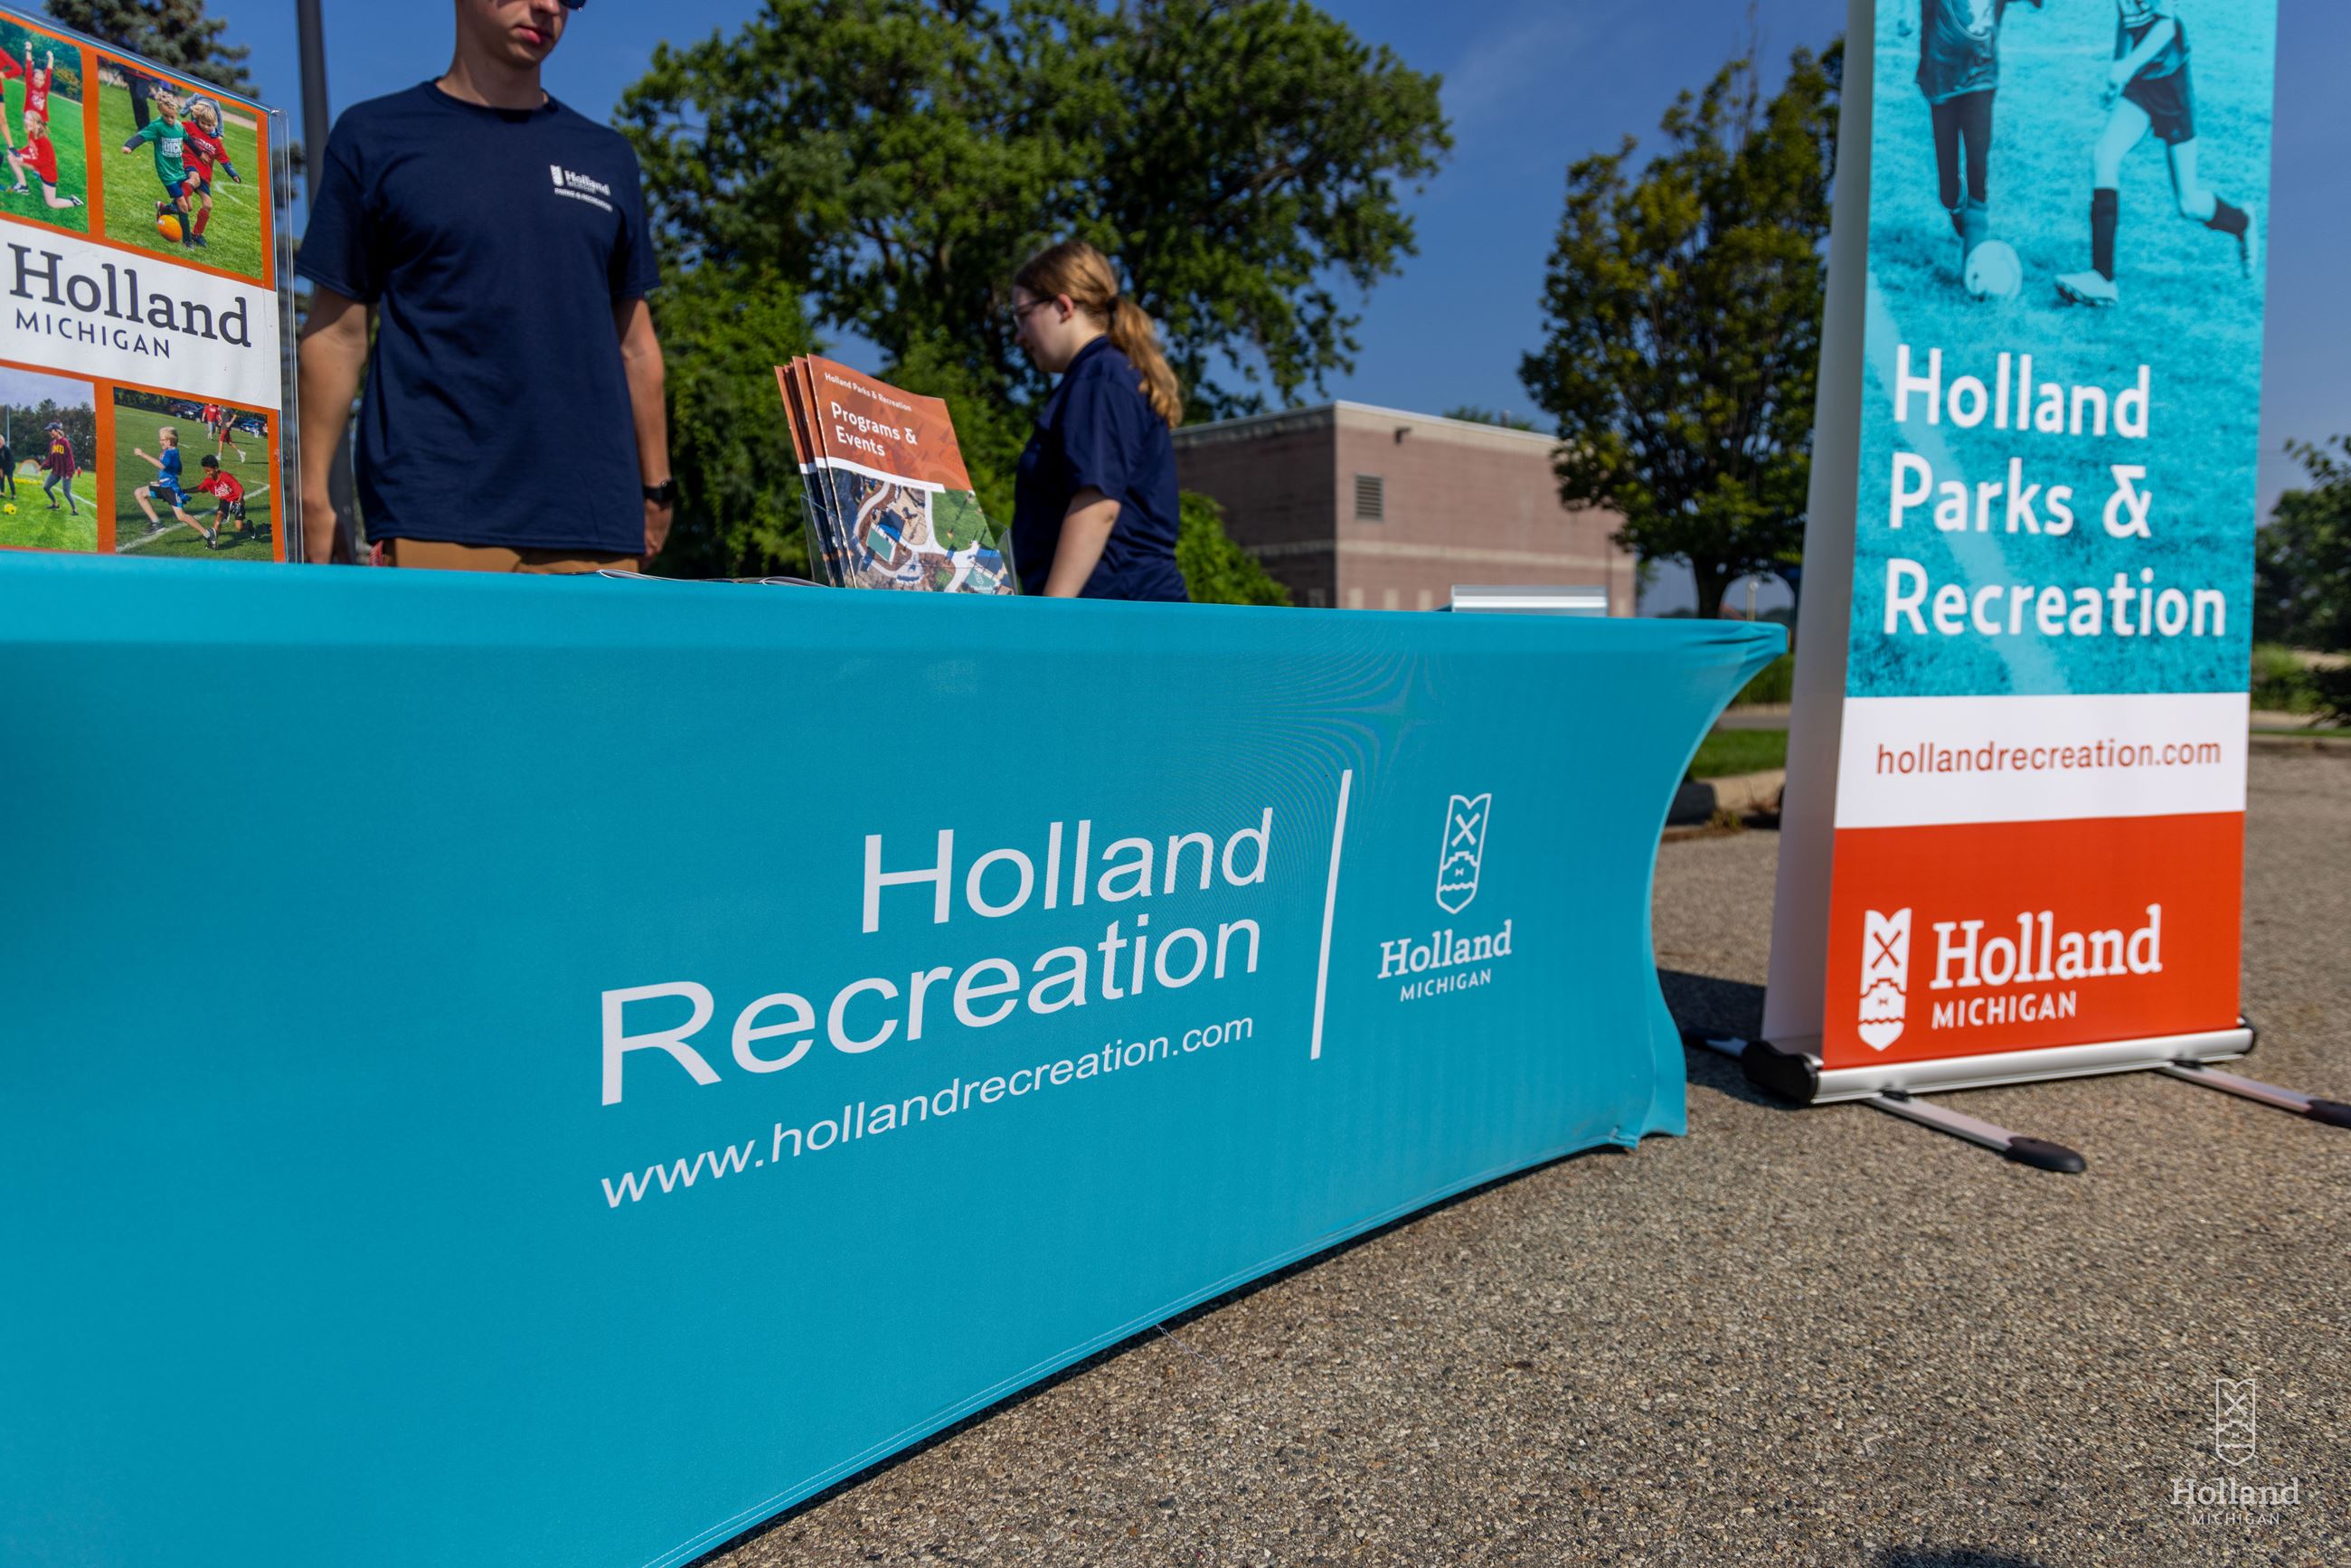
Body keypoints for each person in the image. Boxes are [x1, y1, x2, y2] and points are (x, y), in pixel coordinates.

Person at [296, 0, 671, 572]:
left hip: (594, 522)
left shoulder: (608, 157)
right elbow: (337, 335)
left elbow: (636, 345)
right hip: (435, 517)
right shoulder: (375, 137)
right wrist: (311, 493)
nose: (548, 6)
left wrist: (657, 488)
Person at [1006, 240, 1187, 601]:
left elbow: (1097, 505)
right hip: (1113, 610)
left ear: (1063, 306)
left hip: (1118, 614)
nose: (1019, 336)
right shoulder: (1098, 376)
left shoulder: (1101, 377)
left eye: (1023, 315)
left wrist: (1051, 615)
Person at [2056, 0, 2257, 307]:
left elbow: (2166, 26)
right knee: (2104, 156)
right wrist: (2118, 72)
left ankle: (2241, 221)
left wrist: (2126, 66)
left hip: (2172, 86)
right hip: (2140, 87)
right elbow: (2126, 21)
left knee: (2189, 203)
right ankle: (2102, 279)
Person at [1908, 1, 2040, 270]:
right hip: (1940, 75)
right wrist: (1905, 14)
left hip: (1981, 74)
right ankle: (1956, 207)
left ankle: (1974, 264)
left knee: (1978, 163)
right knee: (1948, 186)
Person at [119, 88, 196, 250]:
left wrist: (200, 153)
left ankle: (163, 208)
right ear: (161, 112)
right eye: (166, 116)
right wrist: (129, 146)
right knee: (183, 206)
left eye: (172, 116)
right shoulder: (157, 126)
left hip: (180, 171)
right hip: (167, 174)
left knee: (189, 207)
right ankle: (187, 241)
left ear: (176, 113)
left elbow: (188, 140)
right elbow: (141, 136)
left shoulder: (179, 126)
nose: (170, 119)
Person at [131, 428, 217, 545]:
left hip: (171, 489)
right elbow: (179, 470)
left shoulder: (169, 453)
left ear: (170, 440)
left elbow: (162, 466)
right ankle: (156, 523)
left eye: (162, 439)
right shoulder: (173, 452)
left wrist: (142, 454)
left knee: (181, 516)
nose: (160, 442)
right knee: (139, 492)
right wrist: (162, 481)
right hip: (164, 486)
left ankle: (208, 534)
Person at [176, 101, 241, 252]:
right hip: (189, 166)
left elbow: (224, 160)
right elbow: (175, 127)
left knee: (208, 205)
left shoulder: (216, 142)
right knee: (194, 181)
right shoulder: (190, 127)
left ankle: (196, 234)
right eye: (203, 123)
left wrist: (233, 173)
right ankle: (177, 201)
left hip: (205, 176)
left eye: (210, 125)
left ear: (215, 123)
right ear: (197, 119)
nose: (206, 127)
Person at [7, 109, 86, 212]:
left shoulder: (44, 141)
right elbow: (30, 148)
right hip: (38, 167)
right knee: (12, 157)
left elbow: (43, 161)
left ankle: (74, 202)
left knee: (51, 203)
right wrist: (18, 152)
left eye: (30, 120)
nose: (26, 121)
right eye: (26, 118)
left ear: (38, 125)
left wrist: (23, 158)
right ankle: (23, 186)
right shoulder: (31, 133)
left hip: (47, 172)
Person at [193, 453, 250, 543]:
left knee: (239, 527)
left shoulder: (226, 476)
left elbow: (240, 491)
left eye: (209, 471)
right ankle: (213, 541)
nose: (207, 473)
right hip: (224, 502)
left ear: (216, 468)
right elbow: (199, 488)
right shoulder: (209, 480)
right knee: (218, 518)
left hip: (236, 501)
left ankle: (249, 526)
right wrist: (184, 491)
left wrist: (239, 503)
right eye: (205, 471)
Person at [40, 420, 77, 514]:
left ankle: (74, 510)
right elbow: (50, 459)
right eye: (48, 431)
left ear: (57, 430)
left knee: (66, 492)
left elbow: (69, 458)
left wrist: (69, 473)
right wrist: (43, 466)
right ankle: (55, 504)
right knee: (46, 487)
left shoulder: (65, 442)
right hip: (56, 471)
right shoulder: (52, 443)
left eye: (51, 430)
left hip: (66, 472)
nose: (49, 432)